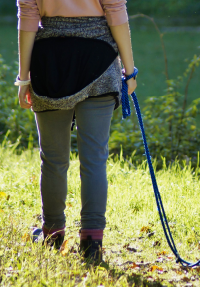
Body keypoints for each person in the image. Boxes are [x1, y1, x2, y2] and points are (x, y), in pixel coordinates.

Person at [16, 0, 137, 263]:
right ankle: (92, 241)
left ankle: (52, 233)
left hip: (50, 62)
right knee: (95, 159)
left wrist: (24, 77)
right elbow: (115, 10)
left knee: (53, 159)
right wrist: (129, 70)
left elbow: (27, 16)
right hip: (99, 56)